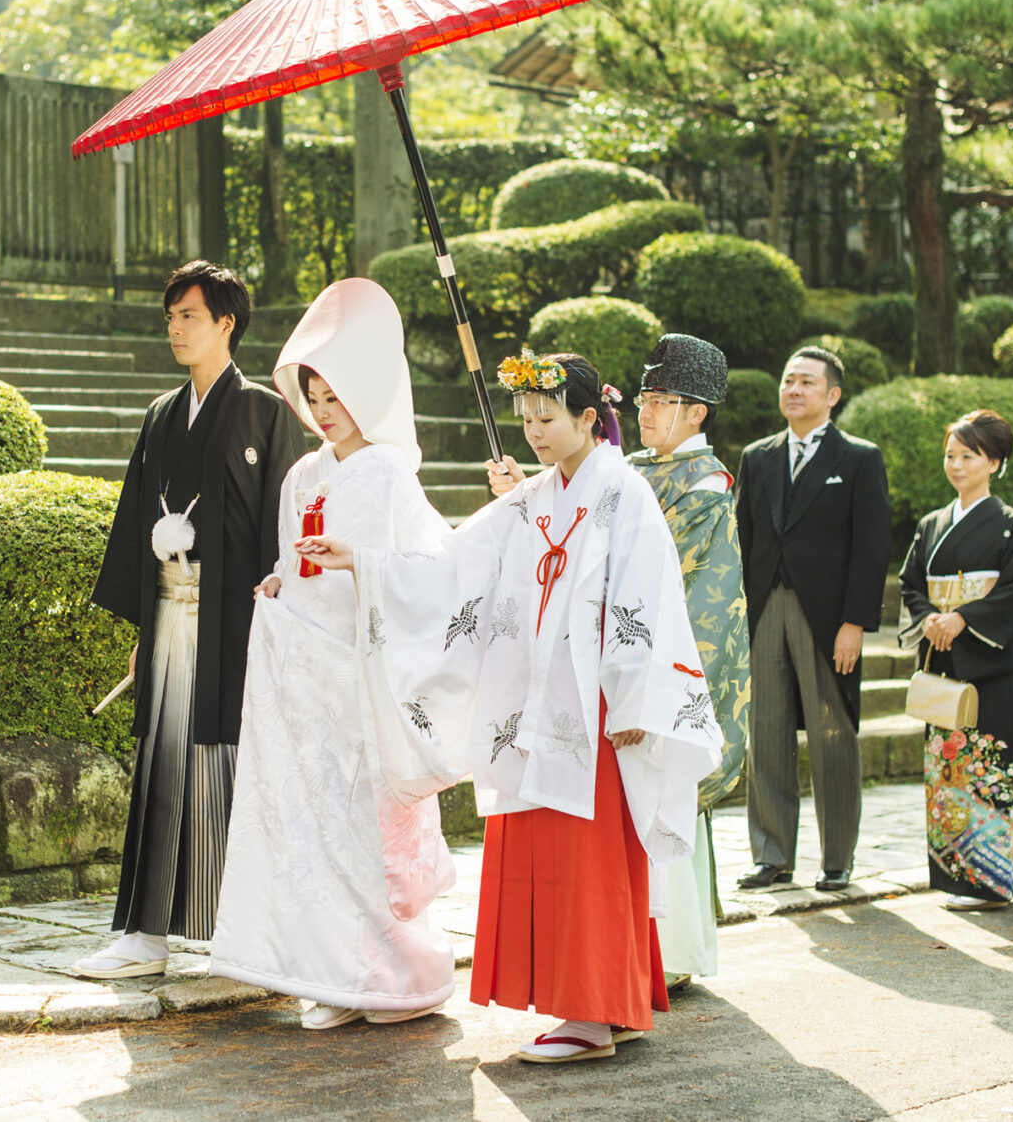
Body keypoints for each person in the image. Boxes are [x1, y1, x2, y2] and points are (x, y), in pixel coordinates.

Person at [298, 351, 720, 1065]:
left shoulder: (623, 492)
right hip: (532, 706)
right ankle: (595, 1004)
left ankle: (591, 1013)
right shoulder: (531, 500)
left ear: (591, 417)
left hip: (599, 708)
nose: (534, 433)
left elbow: (647, 599)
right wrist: (366, 563)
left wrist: (638, 694)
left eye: (548, 419)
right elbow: (455, 564)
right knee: (548, 853)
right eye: (525, 420)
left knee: (591, 859)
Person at [209, 278, 458, 1030]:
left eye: (334, 395)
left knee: (366, 828)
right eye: (312, 396)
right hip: (305, 681)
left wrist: (360, 563)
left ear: (367, 393)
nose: (322, 411)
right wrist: (279, 583)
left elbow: (433, 571)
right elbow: (292, 557)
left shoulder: (389, 476)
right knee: (310, 825)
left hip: (361, 677)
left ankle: (396, 976)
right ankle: (334, 976)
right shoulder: (302, 474)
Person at [76, 262, 304, 980]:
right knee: (161, 768)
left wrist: (282, 620)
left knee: (237, 768)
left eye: (190, 316)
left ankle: (252, 933)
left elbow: (286, 531)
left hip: (240, 626)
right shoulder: (160, 416)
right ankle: (145, 934)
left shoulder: (267, 415)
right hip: (173, 619)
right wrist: (146, 631)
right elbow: (137, 523)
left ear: (226, 323)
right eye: (171, 316)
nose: (175, 328)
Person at [734, 346, 891, 894]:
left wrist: (855, 623)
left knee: (832, 735)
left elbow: (872, 548)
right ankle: (772, 854)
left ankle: (836, 858)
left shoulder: (859, 458)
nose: (794, 389)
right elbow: (744, 540)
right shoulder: (757, 456)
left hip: (828, 619)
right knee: (767, 734)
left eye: (806, 382)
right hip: (765, 610)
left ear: (832, 395)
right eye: (788, 380)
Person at [625, 334, 750, 991]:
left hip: (670, 657)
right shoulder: (643, 470)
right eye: (644, 397)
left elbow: (707, 593)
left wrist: (671, 677)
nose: (647, 411)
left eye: (662, 400)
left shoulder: (703, 485)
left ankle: (675, 951)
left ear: (697, 412)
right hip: (630, 649)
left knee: (669, 791)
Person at [897, 410, 1013, 911]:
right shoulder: (932, 524)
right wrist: (931, 618)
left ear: (995, 462)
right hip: (946, 661)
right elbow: (910, 583)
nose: (956, 465)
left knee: (993, 768)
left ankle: (991, 881)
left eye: (969, 456)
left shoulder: (1010, 526)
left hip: (994, 666)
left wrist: (963, 618)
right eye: (951, 455)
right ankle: (954, 879)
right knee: (948, 769)